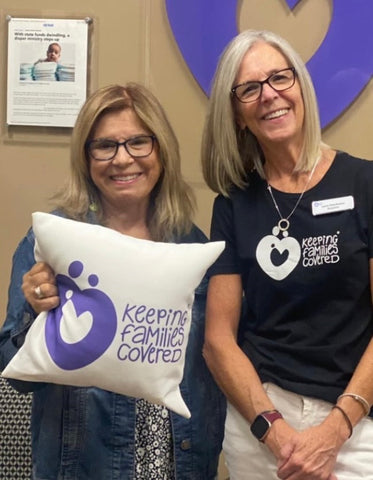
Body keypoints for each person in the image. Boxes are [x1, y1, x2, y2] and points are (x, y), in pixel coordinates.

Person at [0, 83, 225, 480]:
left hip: (176, 464)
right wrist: (35, 315)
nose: (122, 160)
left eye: (138, 142)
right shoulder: (51, 244)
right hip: (82, 466)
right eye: (104, 146)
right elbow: (15, 375)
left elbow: (215, 361)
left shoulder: (191, 247)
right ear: (86, 157)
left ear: (161, 150)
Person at [201, 29, 373, 480]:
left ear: (300, 85)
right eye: (250, 88)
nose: (269, 95)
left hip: (355, 425)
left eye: (280, 78)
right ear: (237, 113)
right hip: (262, 425)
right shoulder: (233, 205)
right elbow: (218, 339)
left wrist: (335, 430)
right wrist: (274, 431)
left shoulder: (365, 185)